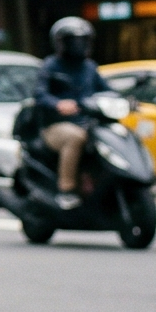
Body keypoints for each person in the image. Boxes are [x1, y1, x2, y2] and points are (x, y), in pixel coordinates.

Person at [37, 15, 108, 210]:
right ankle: (66, 190)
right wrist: (57, 104)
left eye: (82, 40)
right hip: (56, 127)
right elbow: (39, 95)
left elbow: (106, 90)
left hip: (88, 123)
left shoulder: (90, 68)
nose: (78, 45)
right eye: (73, 41)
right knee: (75, 138)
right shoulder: (51, 65)